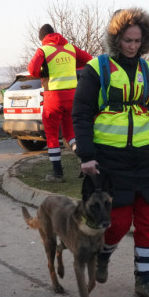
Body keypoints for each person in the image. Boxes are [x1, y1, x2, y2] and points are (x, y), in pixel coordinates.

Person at [71, 8, 149, 297]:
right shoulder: (97, 69)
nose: (132, 46)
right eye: (127, 40)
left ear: (144, 42)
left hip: (147, 158)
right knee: (116, 223)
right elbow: (80, 114)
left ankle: (145, 281)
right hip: (110, 160)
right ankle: (103, 255)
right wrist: (86, 155)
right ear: (116, 39)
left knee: (148, 221)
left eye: (137, 41)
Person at [28, 23, 92, 181]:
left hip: (53, 97)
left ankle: (58, 173)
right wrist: (71, 65)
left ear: (42, 39)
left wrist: (44, 70)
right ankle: (84, 159)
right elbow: (88, 59)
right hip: (72, 96)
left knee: (51, 135)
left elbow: (32, 70)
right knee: (70, 134)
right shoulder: (70, 48)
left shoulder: (43, 50)